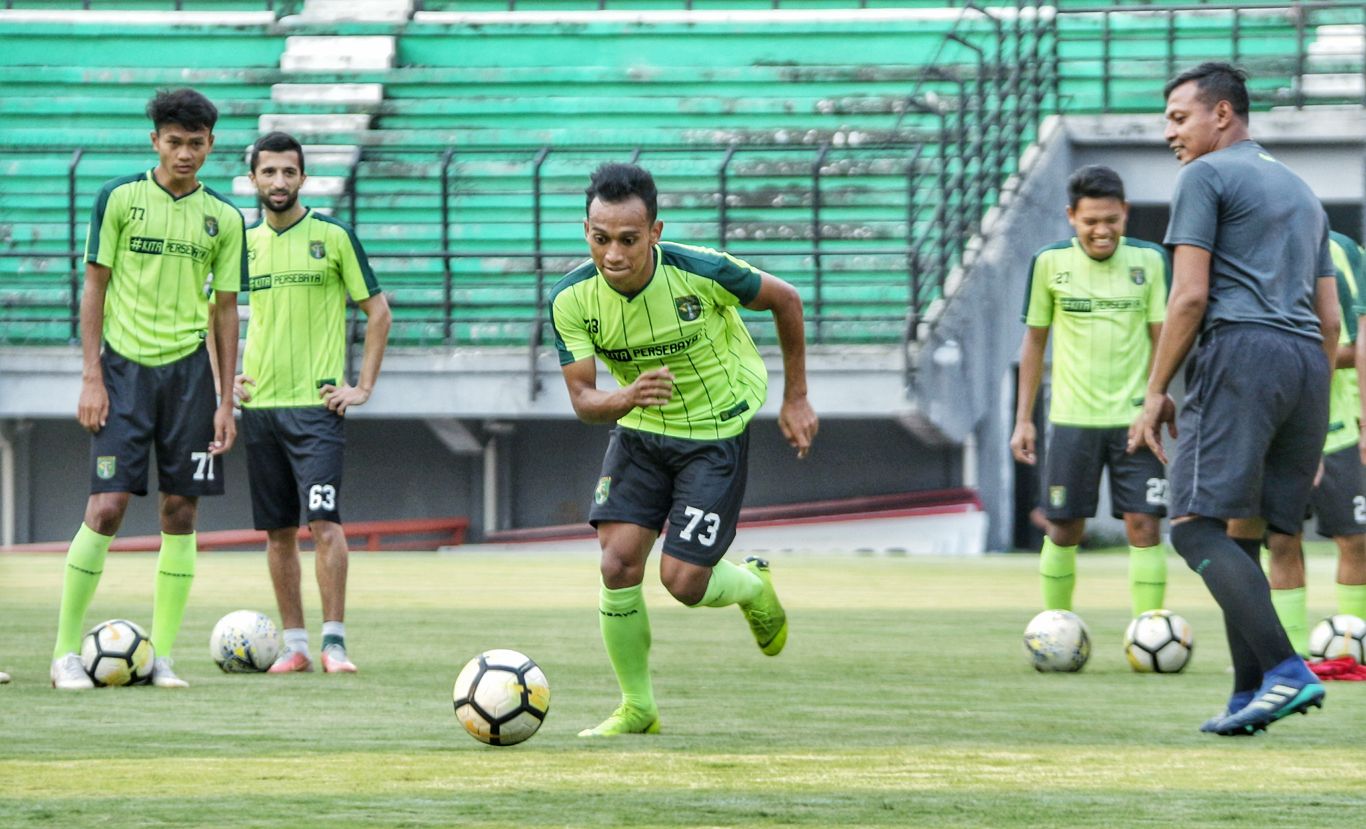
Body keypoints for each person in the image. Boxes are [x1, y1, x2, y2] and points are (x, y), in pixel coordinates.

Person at [550, 162, 818, 737]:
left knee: (683, 582)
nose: (613, 254)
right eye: (601, 239)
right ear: (586, 231)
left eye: (628, 239)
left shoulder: (702, 272)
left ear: (656, 232)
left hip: (713, 431)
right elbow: (581, 398)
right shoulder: (572, 299)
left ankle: (751, 585)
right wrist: (626, 396)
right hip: (641, 430)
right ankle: (638, 707)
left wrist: (796, 398)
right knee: (618, 563)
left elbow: (787, 301)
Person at [1130, 62, 1339, 735]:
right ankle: (1250, 693)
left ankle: (1285, 668)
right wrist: (1309, 416)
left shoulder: (1205, 176)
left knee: (1192, 527)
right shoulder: (1304, 194)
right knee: (1242, 531)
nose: (1169, 133)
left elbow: (1188, 294)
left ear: (1223, 114)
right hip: (1307, 363)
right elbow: (1332, 320)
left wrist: (1156, 389)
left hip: (1242, 354)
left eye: (1178, 117)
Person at [49, 88, 245, 690]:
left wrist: (224, 400)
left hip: (189, 376)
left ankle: (158, 654)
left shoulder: (226, 218)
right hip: (124, 373)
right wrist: (91, 375)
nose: (184, 153)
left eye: (196, 143)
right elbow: (95, 288)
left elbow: (226, 311)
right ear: (154, 140)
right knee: (107, 507)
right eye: (174, 141)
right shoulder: (119, 199)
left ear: (211, 144)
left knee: (180, 511)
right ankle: (62, 654)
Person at [233, 132, 391, 674]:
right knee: (278, 531)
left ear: (303, 178)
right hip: (259, 407)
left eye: (288, 172)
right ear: (253, 178)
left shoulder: (333, 236)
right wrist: (225, 378)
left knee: (324, 522)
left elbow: (378, 312)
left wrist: (361, 387)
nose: (279, 182)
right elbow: (217, 315)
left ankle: (334, 642)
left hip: (317, 408)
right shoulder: (240, 244)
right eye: (269, 172)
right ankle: (296, 645)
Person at [1012, 165, 1171, 618]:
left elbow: (1164, 336)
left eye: (1111, 220)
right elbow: (1034, 343)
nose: (1102, 231)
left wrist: (1155, 399)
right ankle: (1055, 626)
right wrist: (1024, 419)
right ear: (1071, 217)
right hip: (1071, 419)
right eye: (1090, 222)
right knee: (1063, 528)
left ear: (1125, 213)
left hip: (1135, 421)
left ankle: (1150, 627)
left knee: (1144, 524)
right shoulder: (1049, 263)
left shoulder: (1151, 261)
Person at [1264, 230, 1366, 675]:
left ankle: (1354, 646)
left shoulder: (1342, 252)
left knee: (1358, 541)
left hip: (1339, 424)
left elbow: (1357, 342)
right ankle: (1290, 653)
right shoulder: (1246, 251)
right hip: (1277, 430)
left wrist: (1302, 357)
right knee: (1282, 540)